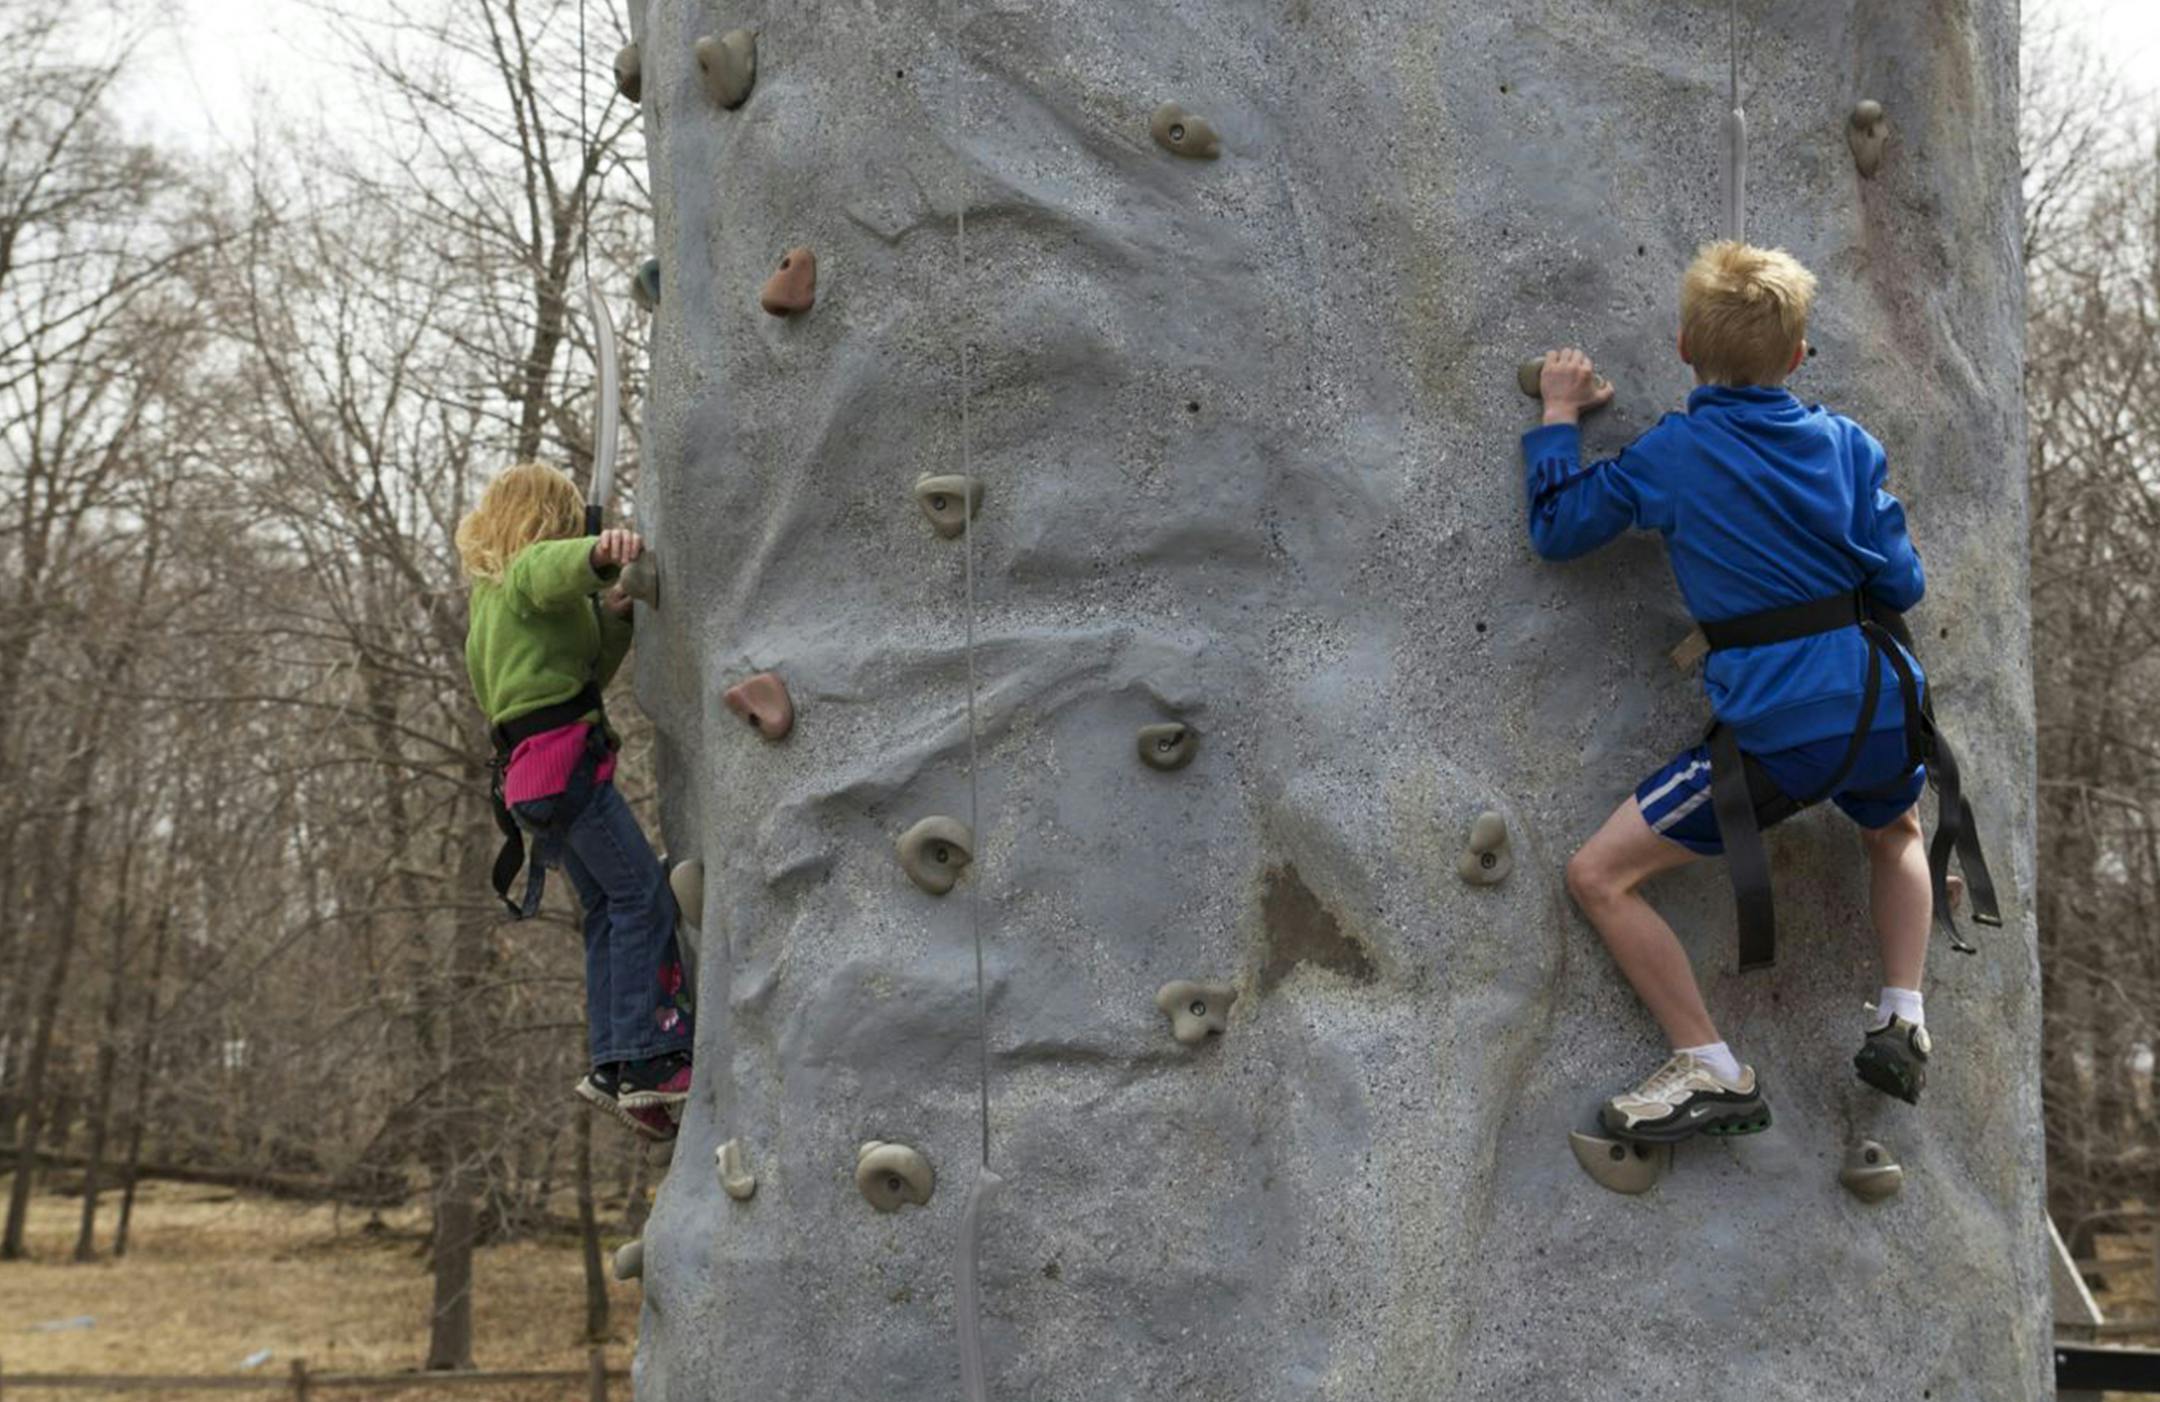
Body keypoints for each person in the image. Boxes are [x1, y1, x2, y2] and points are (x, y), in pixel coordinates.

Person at [1523, 241, 1935, 1144]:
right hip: (1885, 701)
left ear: (1680, 346)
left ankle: (1708, 1065)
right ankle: (1903, 1010)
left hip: (1788, 725)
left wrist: (1558, 413)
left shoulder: (1677, 453)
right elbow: (1902, 586)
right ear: (1797, 356)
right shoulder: (1849, 445)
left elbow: (1558, 528)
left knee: (1600, 875)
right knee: (1896, 827)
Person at [455, 462, 691, 1142]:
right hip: (562, 770)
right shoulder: (523, 578)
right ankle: (648, 1054)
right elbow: (549, 569)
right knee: (643, 896)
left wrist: (614, 617)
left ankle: (617, 1060)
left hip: (539, 779)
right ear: (543, 524)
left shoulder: (505, 611)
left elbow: (583, 671)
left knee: (606, 910)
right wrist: (596, 553)